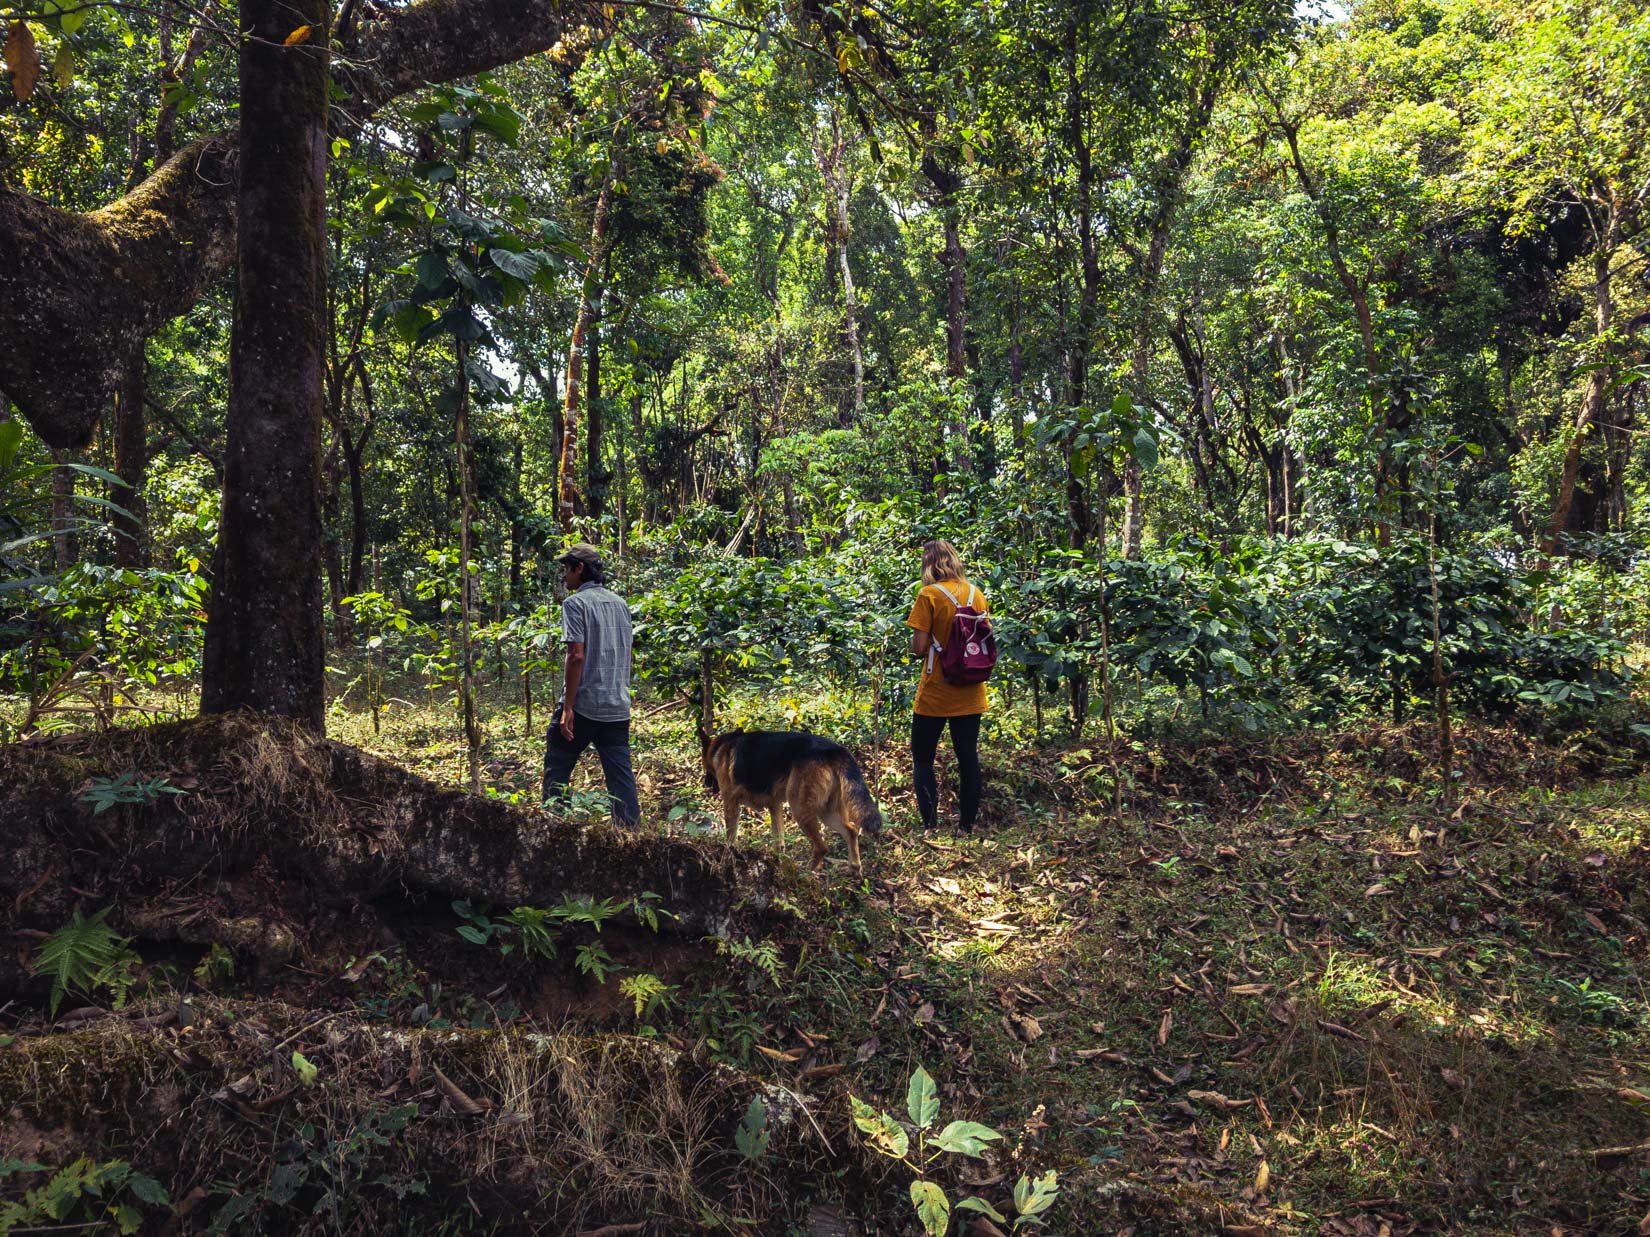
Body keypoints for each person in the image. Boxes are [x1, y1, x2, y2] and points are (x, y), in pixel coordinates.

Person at [542, 542, 641, 827]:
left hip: (584, 705)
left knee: (558, 765)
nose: (564, 576)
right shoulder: (620, 604)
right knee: (621, 779)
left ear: (580, 568)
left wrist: (568, 707)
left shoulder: (575, 604)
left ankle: (553, 827)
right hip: (617, 705)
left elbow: (576, 656)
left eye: (566, 569)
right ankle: (630, 836)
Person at [904, 538, 988, 833]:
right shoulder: (976, 593)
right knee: (968, 756)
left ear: (928, 564)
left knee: (923, 758)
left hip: (937, 692)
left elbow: (918, 647)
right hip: (971, 688)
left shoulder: (928, 595)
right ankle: (966, 826)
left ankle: (930, 825)